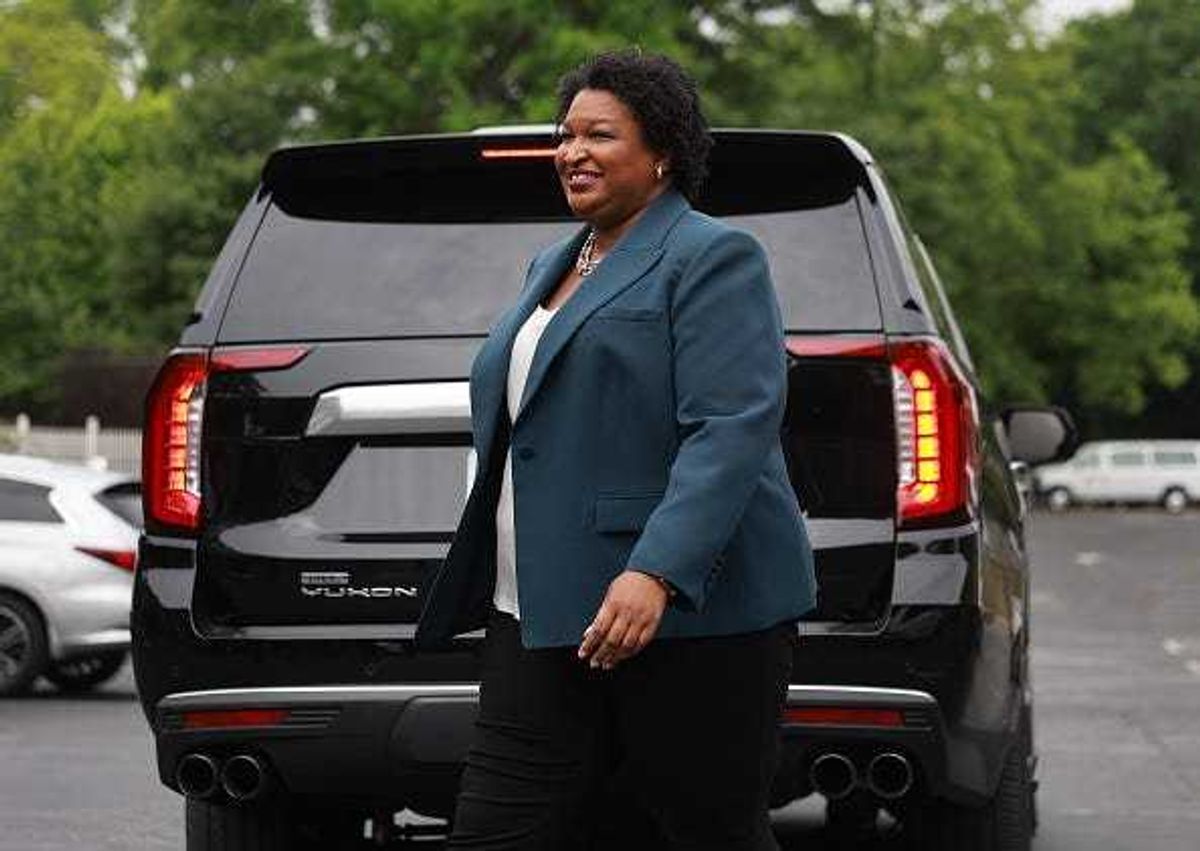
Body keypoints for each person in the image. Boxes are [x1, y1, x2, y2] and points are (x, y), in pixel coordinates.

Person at [416, 49, 817, 850]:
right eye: (565, 135)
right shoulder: (552, 263)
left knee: (707, 832)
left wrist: (655, 571)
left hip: (687, 622)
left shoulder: (713, 256)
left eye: (599, 135)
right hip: (538, 611)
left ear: (661, 151)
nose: (572, 152)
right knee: (496, 831)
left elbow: (730, 427)